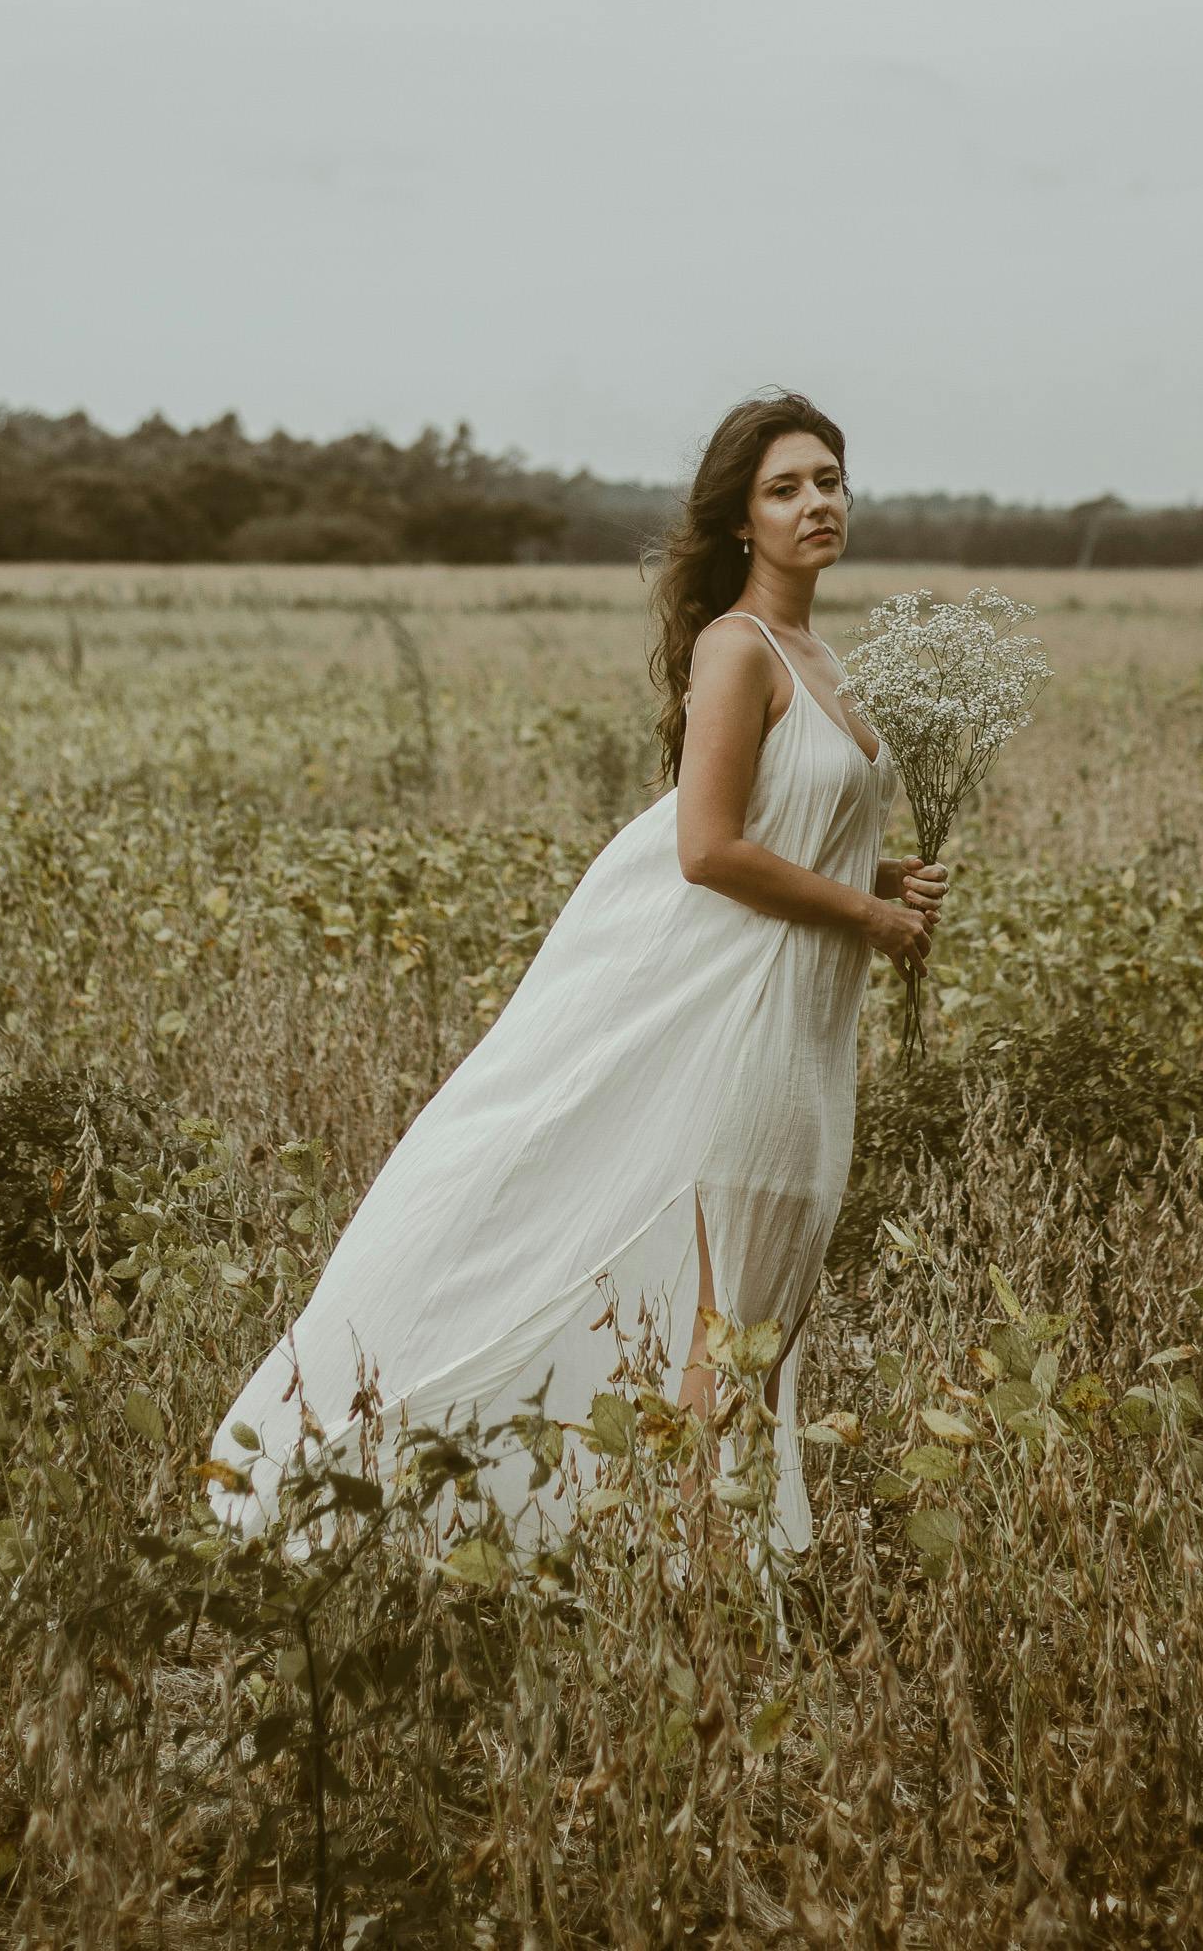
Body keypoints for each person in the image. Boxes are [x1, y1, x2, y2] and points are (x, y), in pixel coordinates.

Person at [205, 387, 945, 1585]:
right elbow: (707, 849)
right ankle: (701, 1594)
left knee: (773, 1307)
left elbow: (789, 831)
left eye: (827, 480)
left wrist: (883, 879)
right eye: (783, 488)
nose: (815, 504)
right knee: (727, 1332)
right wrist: (864, 913)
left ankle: (718, 1579)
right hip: (749, 1031)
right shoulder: (735, 649)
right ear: (740, 522)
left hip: (814, 1033)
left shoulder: (823, 659)